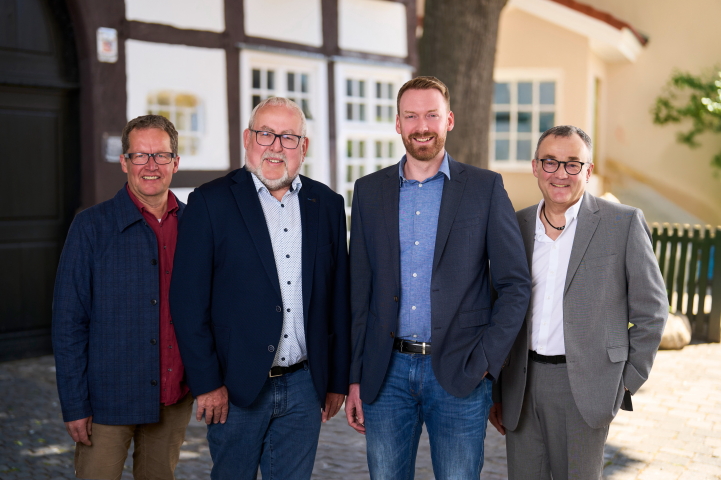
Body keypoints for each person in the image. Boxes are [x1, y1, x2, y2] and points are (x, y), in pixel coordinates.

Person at [345, 76, 531, 479]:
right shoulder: (369, 191)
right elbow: (359, 292)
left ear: (449, 120)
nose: (422, 126)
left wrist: (485, 363)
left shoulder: (484, 188)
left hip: (461, 369)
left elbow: (515, 285)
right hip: (386, 372)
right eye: (411, 116)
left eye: (431, 114)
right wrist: (355, 377)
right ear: (398, 123)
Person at [170, 97, 350, 480]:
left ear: (304, 146)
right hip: (234, 389)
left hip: (304, 386)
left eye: (288, 137)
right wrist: (208, 384)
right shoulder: (210, 202)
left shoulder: (327, 204)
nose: (275, 146)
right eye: (265, 134)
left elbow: (338, 299)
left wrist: (336, 379)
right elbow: (187, 303)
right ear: (247, 139)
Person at [488, 125, 668, 479]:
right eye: (550, 162)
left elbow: (652, 311)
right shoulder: (516, 225)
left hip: (587, 386)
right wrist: (497, 387)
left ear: (588, 170)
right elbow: (499, 307)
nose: (560, 173)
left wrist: (625, 382)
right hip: (520, 384)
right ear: (535, 167)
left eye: (573, 163)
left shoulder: (623, 223)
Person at [52, 115, 193, 479]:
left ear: (176, 162)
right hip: (107, 402)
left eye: (161, 155)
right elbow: (68, 323)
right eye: (140, 155)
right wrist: (74, 404)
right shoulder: (91, 227)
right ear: (124, 162)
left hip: (173, 396)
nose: (151, 165)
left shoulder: (196, 226)